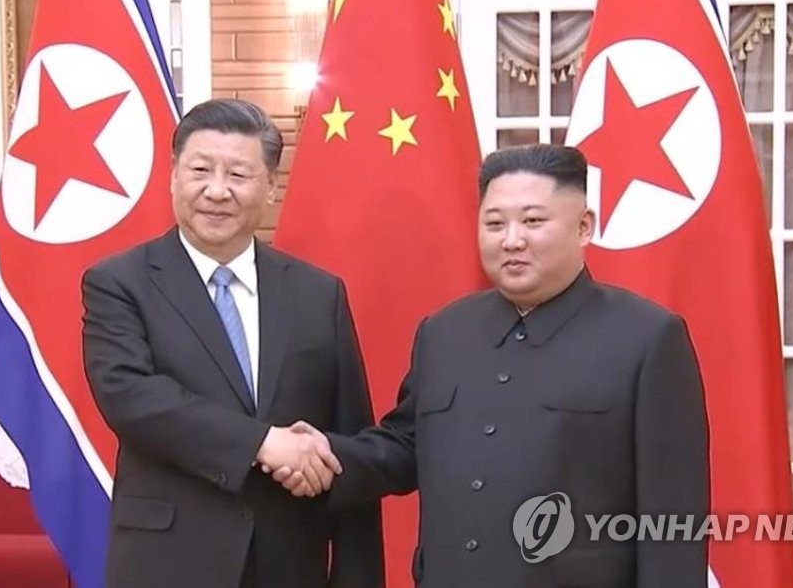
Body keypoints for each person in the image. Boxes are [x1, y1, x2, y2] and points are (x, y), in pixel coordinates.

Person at [273, 143, 710, 586]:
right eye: (495, 223)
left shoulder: (647, 338)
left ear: (583, 227)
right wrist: (321, 455)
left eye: (533, 221)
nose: (512, 239)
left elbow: (673, 520)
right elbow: (404, 448)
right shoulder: (444, 332)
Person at [81, 98, 383, 588]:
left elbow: (346, 439)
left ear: (269, 186)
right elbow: (131, 397)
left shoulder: (318, 293)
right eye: (200, 169)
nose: (216, 191)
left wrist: (357, 575)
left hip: (291, 561)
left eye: (239, 175)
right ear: (173, 175)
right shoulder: (120, 282)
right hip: (169, 562)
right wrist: (263, 443)